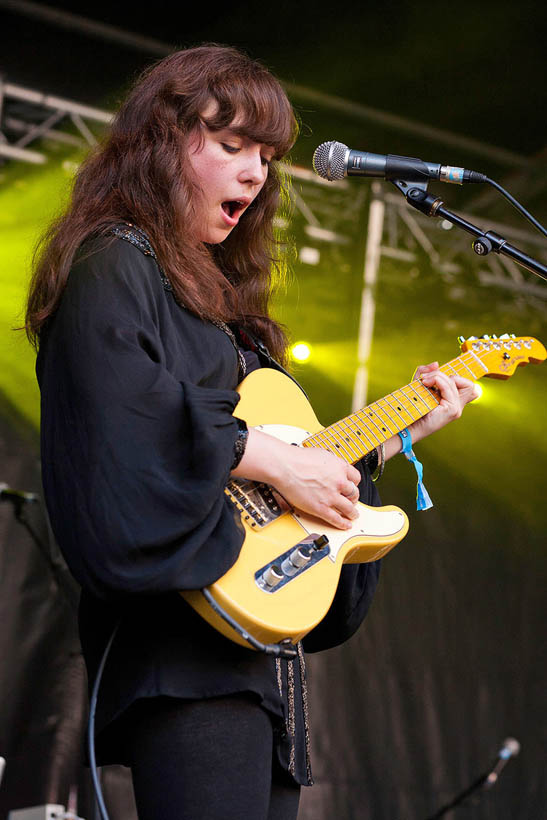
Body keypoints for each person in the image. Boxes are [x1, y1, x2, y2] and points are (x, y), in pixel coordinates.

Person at [26, 45, 477, 820]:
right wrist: (268, 456)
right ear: (161, 145)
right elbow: (122, 417)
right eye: (229, 144)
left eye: (265, 156)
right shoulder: (111, 262)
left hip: (259, 663)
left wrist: (398, 433)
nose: (253, 171)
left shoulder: (229, 311)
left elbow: (276, 464)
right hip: (183, 658)